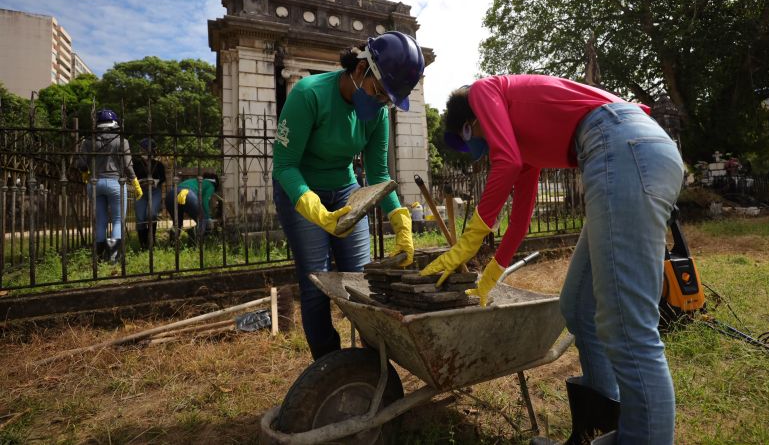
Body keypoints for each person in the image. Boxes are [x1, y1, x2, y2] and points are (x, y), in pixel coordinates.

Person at [422, 75, 683, 445]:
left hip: (623, 147)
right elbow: (520, 220)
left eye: (468, 138)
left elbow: (506, 162)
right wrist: (488, 277)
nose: (475, 148)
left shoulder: (483, 91)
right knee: (578, 306)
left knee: (628, 326)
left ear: (471, 122)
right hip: (628, 149)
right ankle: (596, 426)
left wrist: (467, 243)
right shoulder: (525, 145)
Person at [272, 31, 424, 360]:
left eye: (388, 99)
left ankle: (372, 363)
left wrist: (399, 218)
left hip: (345, 189)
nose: (382, 102)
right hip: (300, 190)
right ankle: (331, 368)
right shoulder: (308, 94)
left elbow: (379, 174)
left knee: (362, 282)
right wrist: (315, 210)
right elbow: (284, 165)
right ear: (360, 69)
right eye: (379, 92)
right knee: (317, 284)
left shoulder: (378, 113)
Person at [76, 109, 143, 263]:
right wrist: (135, 183)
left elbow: (81, 164)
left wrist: (86, 173)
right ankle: (114, 258)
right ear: (115, 123)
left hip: (94, 184)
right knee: (118, 220)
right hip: (115, 183)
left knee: (100, 220)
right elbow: (128, 165)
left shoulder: (88, 141)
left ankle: (98, 258)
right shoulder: (121, 141)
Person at [166, 172, 220, 243]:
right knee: (202, 219)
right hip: (187, 193)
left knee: (177, 223)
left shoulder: (195, 181)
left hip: (171, 194)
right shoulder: (211, 185)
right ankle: (197, 244)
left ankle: (172, 244)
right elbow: (205, 200)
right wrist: (207, 216)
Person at [132, 138, 166, 248]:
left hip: (155, 191)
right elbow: (132, 177)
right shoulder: (136, 164)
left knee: (151, 214)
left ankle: (151, 240)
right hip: (141, 191)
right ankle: (143, 244)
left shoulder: (158, 164)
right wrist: (140, 182)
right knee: (140, 218)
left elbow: (163, 178)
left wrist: (156, 181)